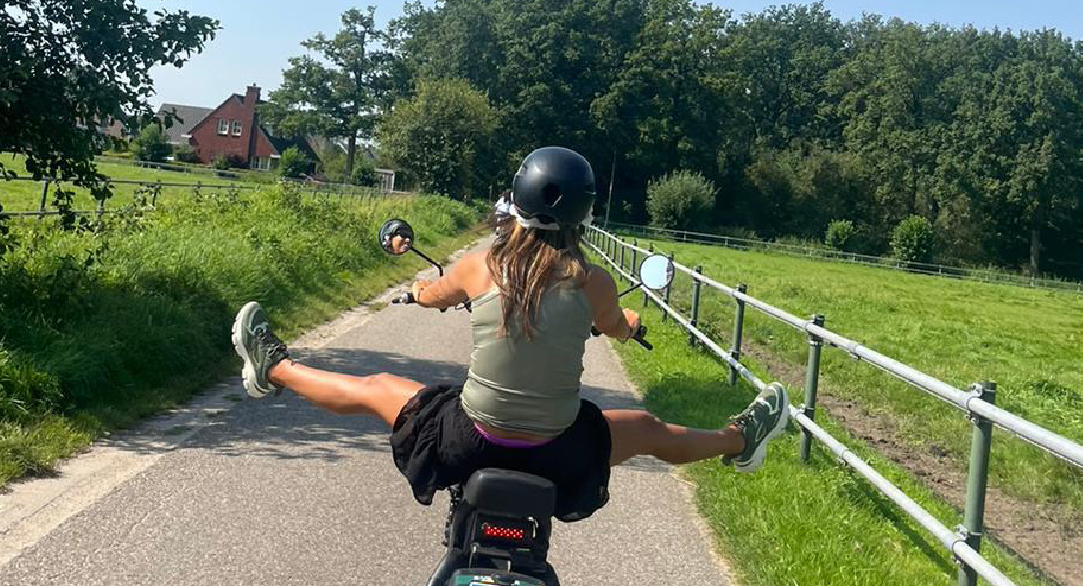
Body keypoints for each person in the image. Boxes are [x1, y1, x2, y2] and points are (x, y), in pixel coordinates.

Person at [231, 147, 789, 522]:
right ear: (584, 214)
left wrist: (419, 293)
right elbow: (618, 328)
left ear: (516, 202)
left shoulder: (481, 266)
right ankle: (742, 438)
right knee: (649, 428)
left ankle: (272, 369)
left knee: (375, 387)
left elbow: (434, 294)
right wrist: (627, 325)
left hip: (471, 436)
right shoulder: (592, 283)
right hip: (559, 448)